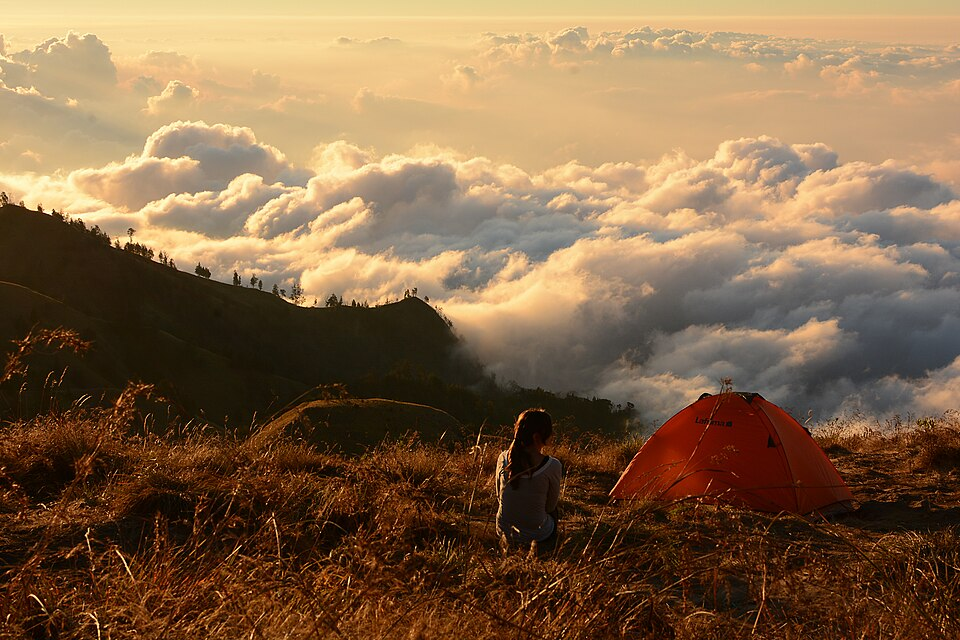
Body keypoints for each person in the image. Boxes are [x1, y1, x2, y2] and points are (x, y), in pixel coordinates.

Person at [495, 408, 563, 550]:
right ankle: (548, 546)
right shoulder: (552, 465)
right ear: (537, 437)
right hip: (538, 534)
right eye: (549, 431)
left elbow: (499, 495)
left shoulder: (503, 458)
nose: (552, 434)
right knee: (555, 512)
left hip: (503, 531)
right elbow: (550, 507)